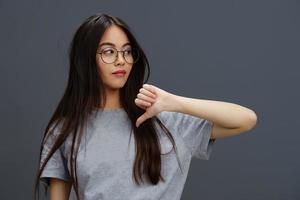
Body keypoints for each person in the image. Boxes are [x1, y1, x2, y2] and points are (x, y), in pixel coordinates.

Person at [33, 13, 257, 200]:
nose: (121, 60)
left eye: (127, 51)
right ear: (86, 60)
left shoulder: (162, 117)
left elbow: (246, 119)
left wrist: (173, 102)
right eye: (109, 52)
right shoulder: (64, 129)